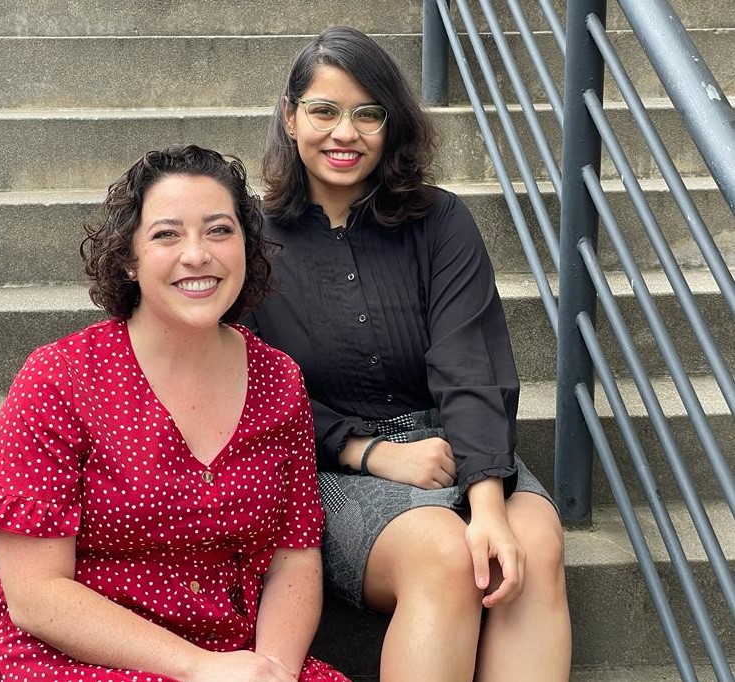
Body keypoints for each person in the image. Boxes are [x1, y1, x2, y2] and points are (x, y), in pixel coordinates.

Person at [244, 27, 572, 681]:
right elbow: (247, 386)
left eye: (370, 114)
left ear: (392, 126)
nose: (347, 133)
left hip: (457, 442)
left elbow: (468, 359)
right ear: (289, 116)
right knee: (445, 554)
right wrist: (365, 450)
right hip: (329, 467)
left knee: (531, 544)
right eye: (325, 111)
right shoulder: (250, 240)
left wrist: (486, 503)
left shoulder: (439, 221)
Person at [0, 145, 350, 682]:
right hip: (82, 657)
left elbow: (295, 555)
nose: (197, 254)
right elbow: (36, 595)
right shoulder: (59, 379)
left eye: (219, 230)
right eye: (167, 234)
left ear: (247, 244)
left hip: (236, 657)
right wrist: (200, 669)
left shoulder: (278, 379)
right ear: (128, 258)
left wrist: (274, 671)